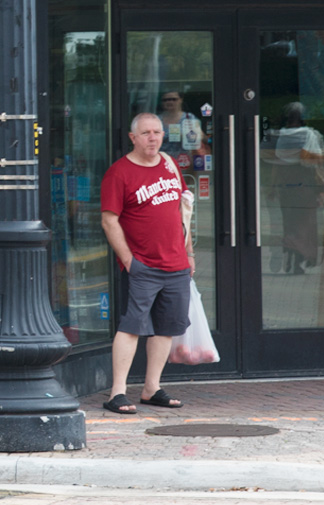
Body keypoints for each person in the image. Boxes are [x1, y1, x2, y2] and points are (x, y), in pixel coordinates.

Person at [100, 113, 194, 414]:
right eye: (146, 133)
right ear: (133, 138)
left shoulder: (170, 165)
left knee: (165, 328)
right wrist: (128, 261)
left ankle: (152, 387)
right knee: (131, 326)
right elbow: (109, 220)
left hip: (176, 263)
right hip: (143, 265)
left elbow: (183, 213)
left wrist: (189, 252)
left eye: (157, 132)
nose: (153, 138)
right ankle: (117, 392)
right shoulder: (119, 173)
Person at [268, 102, 324, 273]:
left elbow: (275, 164)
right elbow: (321, 160)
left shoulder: (279, 136)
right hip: (306, 187)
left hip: (286, 187)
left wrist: (272, 188)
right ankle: (299, 260)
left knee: (289, 222)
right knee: (306, 224)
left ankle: (289, 255)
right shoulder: (311, 135)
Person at [157, 90, 206, 157]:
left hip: (184, 160)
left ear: (181, 100)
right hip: (161, 159)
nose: (169, 102)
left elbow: (202, 137)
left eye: (173, 99)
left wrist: (186, 136)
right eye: (165, 100)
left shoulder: (189, 118)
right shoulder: (156, 120)